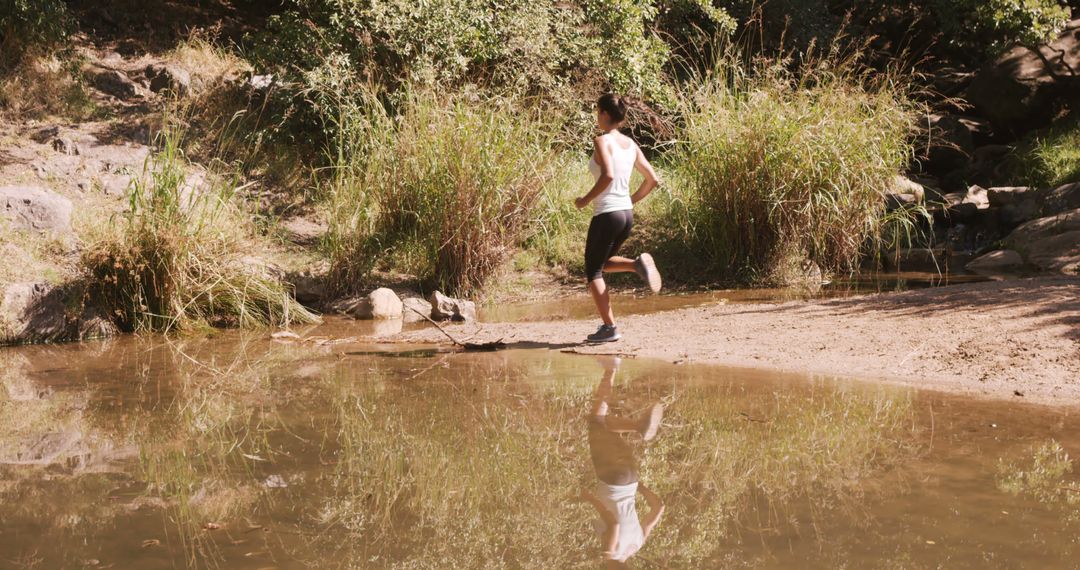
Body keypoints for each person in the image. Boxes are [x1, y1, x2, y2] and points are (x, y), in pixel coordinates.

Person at [575, 94, 662, 344]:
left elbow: (608, 176)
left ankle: (609, 326)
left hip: (607, 214)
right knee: (601, 263)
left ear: (603, 113)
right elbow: (652, 179)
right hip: (625, 215)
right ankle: (636, 265)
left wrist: (585, 200)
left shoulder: (602, 140)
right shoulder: (630, 145)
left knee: (593, 272)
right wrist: (629, 202)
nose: (597, 117)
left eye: (597, 112)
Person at [577, 357, 665, 568]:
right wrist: (588, 498)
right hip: (611, 479)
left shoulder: (638, 544)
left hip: (630, 478)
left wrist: (639, 486)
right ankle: (611, 368)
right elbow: (614, 524)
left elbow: (659, 507)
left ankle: (637, 425)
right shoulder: (610, 553)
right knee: (596, 421)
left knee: (603, 423)